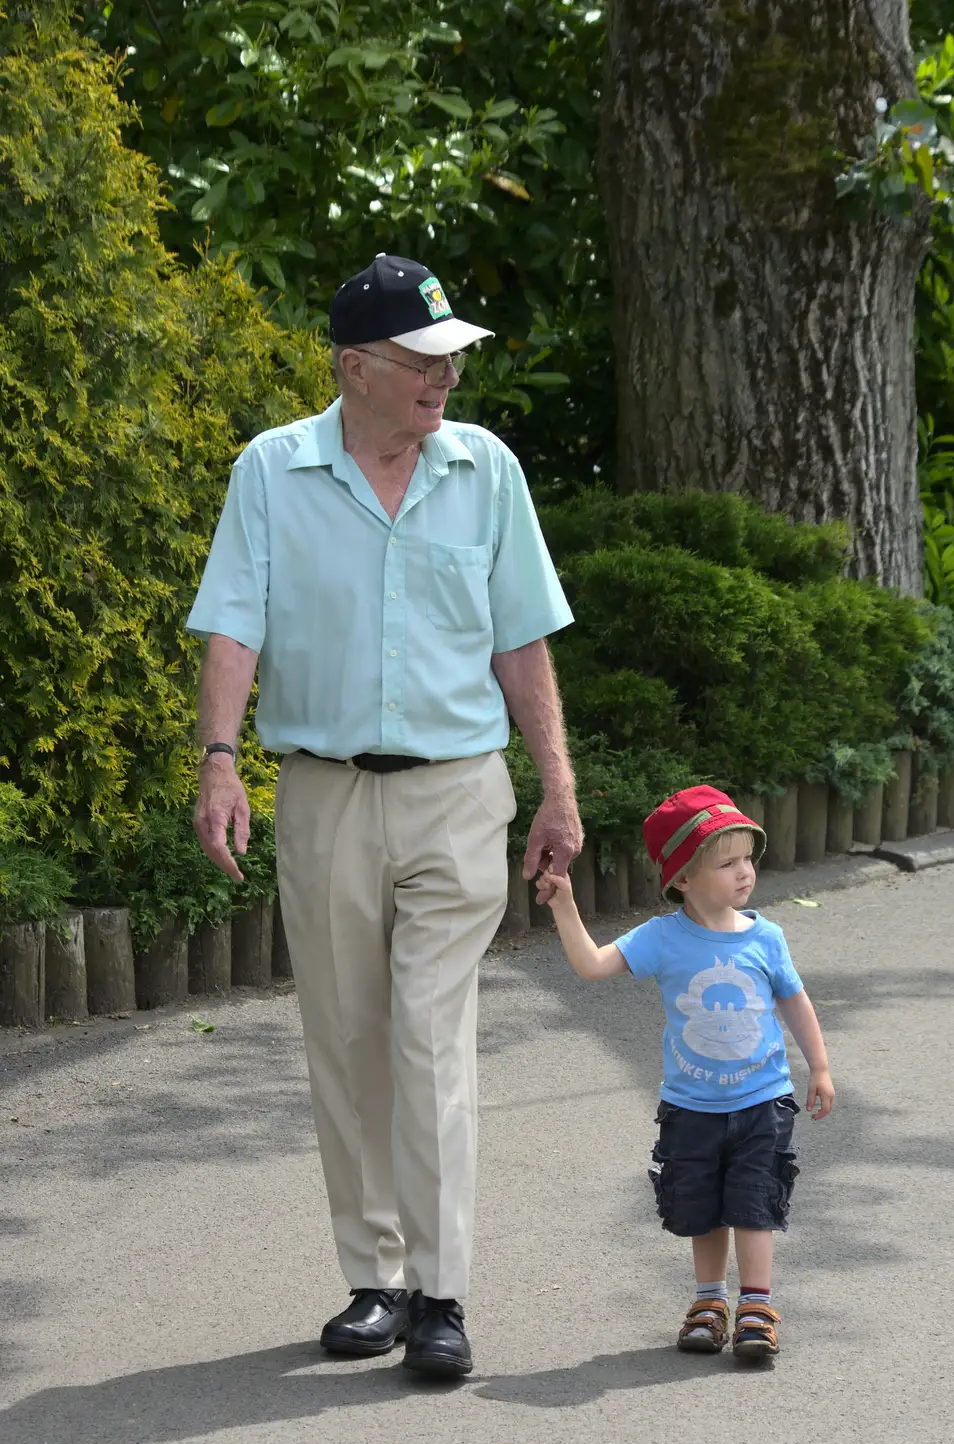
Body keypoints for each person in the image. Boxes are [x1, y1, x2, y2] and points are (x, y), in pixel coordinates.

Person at [187, 254, 582, 1379]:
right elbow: (234, 625)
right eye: (422, 359)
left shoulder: (486, 471)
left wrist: (556, 784)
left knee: (427, 1035)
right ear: (354, 366)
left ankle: (444, 1292)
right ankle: (377, 1279)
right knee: (349, 1037)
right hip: (323, 793)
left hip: (460, 793)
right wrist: (220, 761)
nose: (444, 377)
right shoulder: (271, 472)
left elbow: (521, 638)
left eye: (452, 357)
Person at [538, 784, 834, 1360]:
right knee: (702, 1207)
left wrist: (819, 1066)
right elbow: (591, 965)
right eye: (727, 863)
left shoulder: (766, 937)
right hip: (691, 1105)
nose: (744, 872)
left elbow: (795, 1001)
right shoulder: (661, 938)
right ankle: (708, 1301)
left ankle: (756, 1305)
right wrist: (564, 905)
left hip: (761, 1101)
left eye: (748, 857)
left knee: (753, 1203)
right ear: (683, 879)